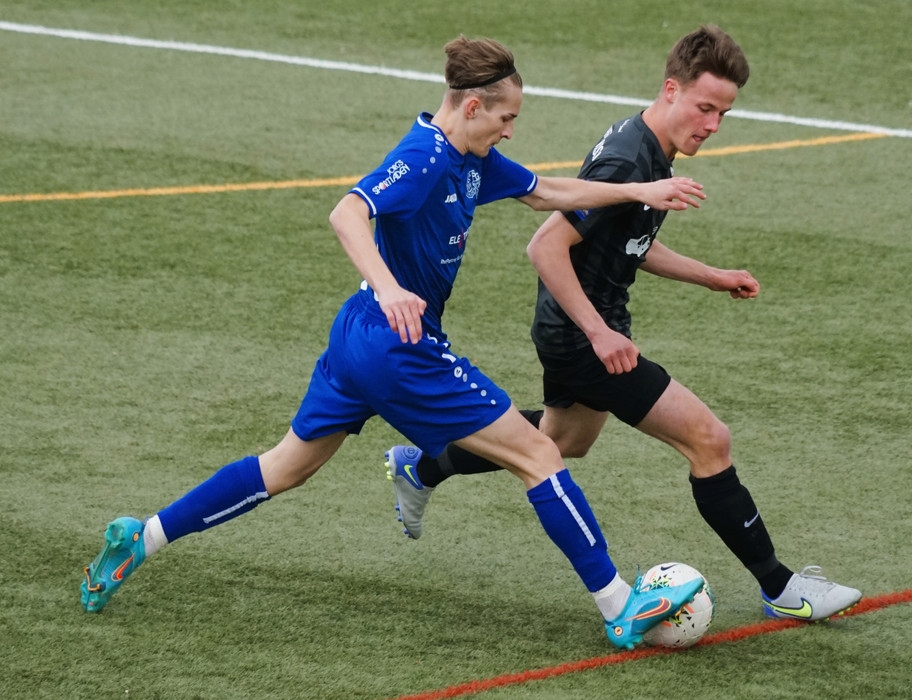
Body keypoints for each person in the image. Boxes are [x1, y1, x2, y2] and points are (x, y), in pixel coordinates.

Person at [80, 35, 715, 651]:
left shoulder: (472, 159)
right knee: (539, 455)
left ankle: (145, 536)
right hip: (398, 344)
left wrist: (637, 191)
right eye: (506, 118)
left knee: (285, 467)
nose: (510, 132)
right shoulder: (425, 156)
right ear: (473, 107)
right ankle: (618, 606)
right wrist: (390, 289)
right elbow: (347, 213)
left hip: (357, 337)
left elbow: (545, 192)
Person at [383, 25, 862, 622]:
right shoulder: (628, 158)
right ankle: (783, 589)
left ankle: (422, 466)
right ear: (671, 90)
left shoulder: (650, 148)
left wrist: (711, 276)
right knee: (709, 439)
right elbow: (545, 246)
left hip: (578, 328)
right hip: (584, 335)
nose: (713, 124)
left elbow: (627, 241)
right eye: (705, 107)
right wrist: (598, 332)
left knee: (563, 441)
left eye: (724, 113)